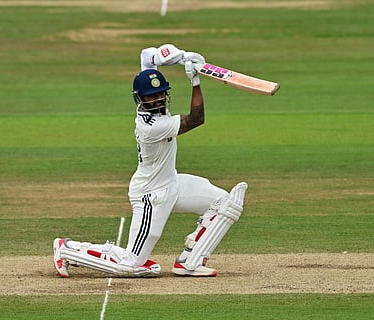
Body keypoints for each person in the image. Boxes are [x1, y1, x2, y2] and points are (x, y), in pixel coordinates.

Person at [53, 44, 248, 278]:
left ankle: (189, 260)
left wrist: (174, 57)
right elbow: (197, 118)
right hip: (151, 195)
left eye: (161, 93)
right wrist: (195, 79)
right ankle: (67, 249)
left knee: (225, 203)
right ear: (140, 100)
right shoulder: (152, 127)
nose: (157, 99)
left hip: (172, 183)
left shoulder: (155, 108)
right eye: (151, 96)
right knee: (132, 264)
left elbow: (146, 56)